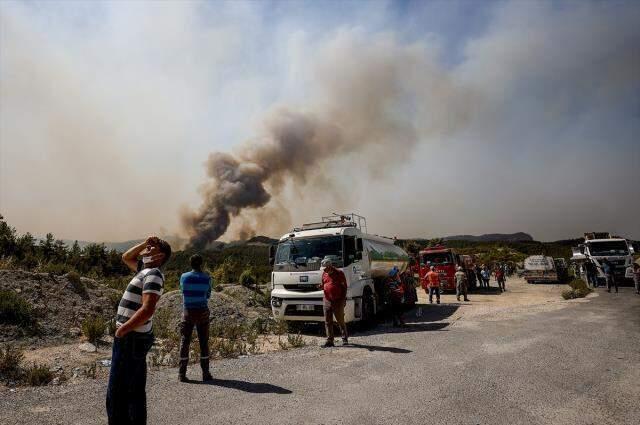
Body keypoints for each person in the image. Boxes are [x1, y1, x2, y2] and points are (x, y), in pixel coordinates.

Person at [107, 236, 171, 425]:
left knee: (117, 392)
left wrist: (122, 330)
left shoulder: (154, 274)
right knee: (133, 389)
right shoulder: (146, 270)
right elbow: (126, 257)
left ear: (160, 256)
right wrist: (144, 243)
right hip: (134, 338)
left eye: (151, 248)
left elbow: (147, 309)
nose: (146, 250)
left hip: (131, 338)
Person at [178, 254, 213, 382]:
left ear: (190, 264)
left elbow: (182, 291)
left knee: (185, 342)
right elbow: (208, 295)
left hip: (187, 312)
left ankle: (182, 374)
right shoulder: (207, 278)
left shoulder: (184, 277)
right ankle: (205, 374)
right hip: (202, 312)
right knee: (204, 343)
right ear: (201, 264)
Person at [319, 258, 348, 347]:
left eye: (325, 268)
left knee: (340, 320)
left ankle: (344, 338)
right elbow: (324, 285)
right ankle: (330, 340)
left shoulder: (339, 273)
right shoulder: (324, 274)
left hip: (338, 300)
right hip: (327, 300)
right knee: (328, 321)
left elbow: (344, 288)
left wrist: (343, 300)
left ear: (330, 266)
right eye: (323, 268)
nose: (324, 270)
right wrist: (321, 287)